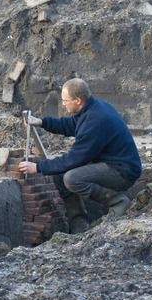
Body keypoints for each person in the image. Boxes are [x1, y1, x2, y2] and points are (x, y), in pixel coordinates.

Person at [18, 78, 142, 231]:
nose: (63, 104)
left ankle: (117, 201)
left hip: (122, 171)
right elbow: (70, 125)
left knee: (72, 178)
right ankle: (78, 222)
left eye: (65, 100)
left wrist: (37, 167)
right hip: (109, 162)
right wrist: (42, 122)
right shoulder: (91, 108)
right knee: (59, 174)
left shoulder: (96, 120)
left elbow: (74, 159)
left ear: (77, 100)